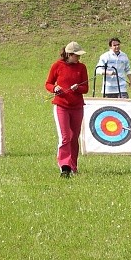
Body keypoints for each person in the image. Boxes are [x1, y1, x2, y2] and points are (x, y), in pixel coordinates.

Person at [45, 41, 89, 178]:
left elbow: (86, 88)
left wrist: (78, 88)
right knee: (65, 137)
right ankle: (65, 167)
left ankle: (73, 165)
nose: (78, 58)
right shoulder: (57, 66)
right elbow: (48, 83)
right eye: (76, 56)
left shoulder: (82, 67)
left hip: (77, 107)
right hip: (61, 106)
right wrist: (54, 88)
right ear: (69, 55)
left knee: (74, 137)